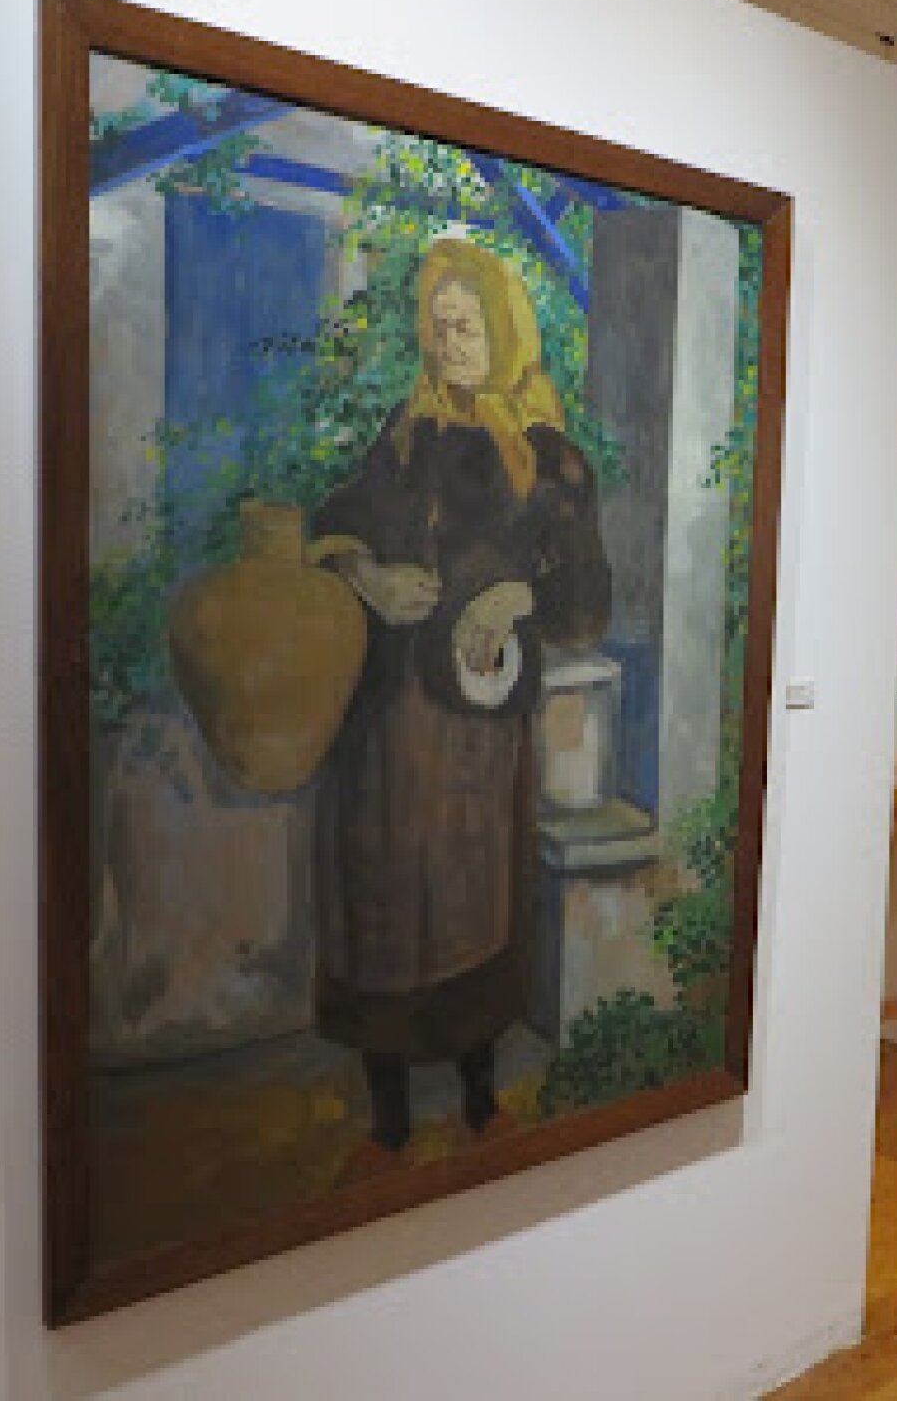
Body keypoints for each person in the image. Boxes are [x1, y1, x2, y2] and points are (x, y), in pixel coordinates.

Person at [311, 238, 610, 1157]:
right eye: (438, 328)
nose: (450, 345)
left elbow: (586, 601)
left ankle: (478, 1091)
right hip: (384, 721)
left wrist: (517, 596)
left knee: (470, 900)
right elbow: (336, 520)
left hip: (477, 722)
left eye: (467, 326)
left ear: (506, 329)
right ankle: (389, 1108)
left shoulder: (552, 461)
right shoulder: (405, 437)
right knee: (383, 899)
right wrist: (365, 576)